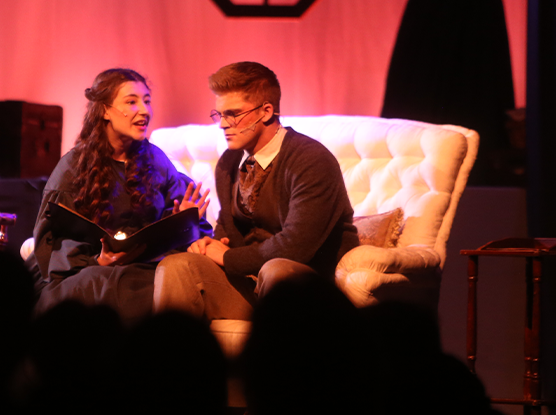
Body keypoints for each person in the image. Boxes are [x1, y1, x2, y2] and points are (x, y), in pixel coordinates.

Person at [153, 61, 355, 319]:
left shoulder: (311, 160)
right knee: (176, 266)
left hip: (308, 292)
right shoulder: (228, 162)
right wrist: (205, 243)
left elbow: (296, 247)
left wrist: (227, 258)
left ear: (266, 111)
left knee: (277, 271)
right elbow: (227, 232)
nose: (223, 124)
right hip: (250, 284)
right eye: (219, 115)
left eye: (232, 114)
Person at [31, 68, 211, 324]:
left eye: (147, 101)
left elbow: (183, 229)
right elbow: (52, 238)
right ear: (104, 110)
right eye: (131, 101)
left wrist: (183, 220)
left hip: (142, 268)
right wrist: (97, 260)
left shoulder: (156, 160)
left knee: (167, 284)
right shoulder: (74, 166)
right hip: (82, 270)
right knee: (102, 285)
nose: (145, 110)